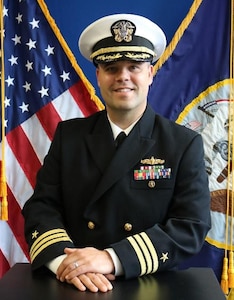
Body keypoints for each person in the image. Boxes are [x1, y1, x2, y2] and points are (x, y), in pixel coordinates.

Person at [22, 13, 211, 293]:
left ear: (150, 73)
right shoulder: (69, 137)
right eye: (111, 68)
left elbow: (191, 226)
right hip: (75, 285)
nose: (123, 76)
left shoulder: (183, 144)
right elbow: (41, 207)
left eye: (134, 66)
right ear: (98, 75)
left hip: (149, 285)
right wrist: (66, 262)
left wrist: (111, 258)